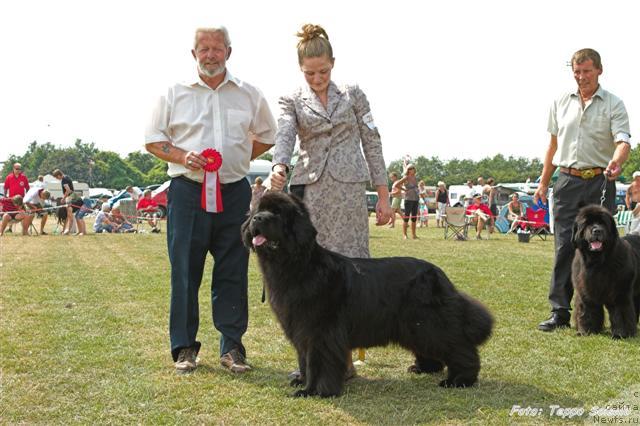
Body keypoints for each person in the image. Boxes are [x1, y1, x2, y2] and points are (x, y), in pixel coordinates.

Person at [145, 25, 277, 374]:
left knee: (233, 270)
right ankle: (185, 348)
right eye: (203, 49)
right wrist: (181, 156)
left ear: (228, 52)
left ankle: (232, 347)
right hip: (187, 191)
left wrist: (239, 156)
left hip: (234, 191)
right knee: (185, 272)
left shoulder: (249, 94)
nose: (210, 55)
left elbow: (267, 134)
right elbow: (153, 140)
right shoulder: (174, 93)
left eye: (217, 48)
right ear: (193, 54)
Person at [268, 23, 392, 379]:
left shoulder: (353, 94)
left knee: (352, 272)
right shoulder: (291, 99)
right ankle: (312, 357)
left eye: (323, 71)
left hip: (351, 191)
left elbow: (372, 141)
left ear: (333, 64)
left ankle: (346, 360)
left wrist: (382, 194)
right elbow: (285, 134)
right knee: (310, 275)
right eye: (310, 73)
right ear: (300, 69)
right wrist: (279, 165)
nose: (317, 78)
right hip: (312, 192)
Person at [534, 48, 631, 332]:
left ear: (599, 70)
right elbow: (552, 146)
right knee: (565, 246)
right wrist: (543, 181)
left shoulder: (614, 103)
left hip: (602, 180)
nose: (581, 77)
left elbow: (623, 140)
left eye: (587, 71)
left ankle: (610, 306)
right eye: (577, 72)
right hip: (567, 181)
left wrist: (616, 161)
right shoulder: (560, 102)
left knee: (605, 246)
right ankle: (560, 311)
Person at [393, 164, 420, 239]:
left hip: (416, 199)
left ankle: (414, 235)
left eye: (413, 168)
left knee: (414, 218)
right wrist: (404, 190)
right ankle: (405, 235)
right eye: (410, 168)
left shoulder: (415, 178)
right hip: (408, 199)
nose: (412, 170)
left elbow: (417, 187)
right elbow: (397, 185)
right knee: (406, 217)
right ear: (408, 170)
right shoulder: (406, 177)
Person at [52, 169, 75, 235]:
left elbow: (68, 190)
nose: (57, 178)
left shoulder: (64, 180)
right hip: (71, 196)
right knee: (68, 215)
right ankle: (65, 230)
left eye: (56, 177)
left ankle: (67, 231)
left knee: (69, 215)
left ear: (59, 175)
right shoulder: (67, 177)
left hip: (69, 197)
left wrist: (63, 198)